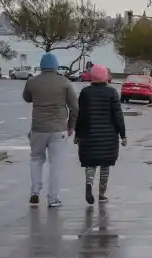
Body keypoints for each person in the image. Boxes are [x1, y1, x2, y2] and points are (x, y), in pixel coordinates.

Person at [23, 53, 79, 208]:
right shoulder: (65, 83)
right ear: (56, 66)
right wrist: (71, 125)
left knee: (36, 159)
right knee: (55, 165)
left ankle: (35, 191)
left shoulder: (32, 82)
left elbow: (27, 98)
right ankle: (53, 198)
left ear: (41, 66)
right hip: (58, 129)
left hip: (38, 128)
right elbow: (75, 107)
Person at [74, 64, 126, 205]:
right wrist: (123, 135)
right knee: (105, 166)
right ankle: (102, 194)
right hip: (108, 138)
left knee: (90, 164)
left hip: (88, 136)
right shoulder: (112, 93)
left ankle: (89, 183)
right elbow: (118, 116)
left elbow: (81, 115)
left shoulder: (85, 93)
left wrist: (77, 134)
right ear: (106, 77)